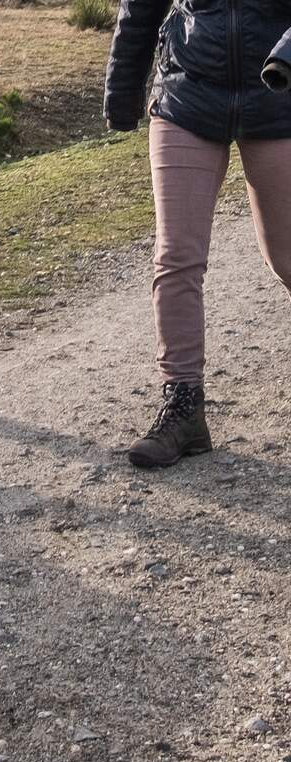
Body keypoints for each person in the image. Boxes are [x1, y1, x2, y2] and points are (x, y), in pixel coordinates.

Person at [105, 2, 291, 468]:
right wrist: (122, 94)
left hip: (279, 93)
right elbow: (140, 7)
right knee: (176, 256)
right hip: (186, 95)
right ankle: (182, 406)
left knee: (286, 259)